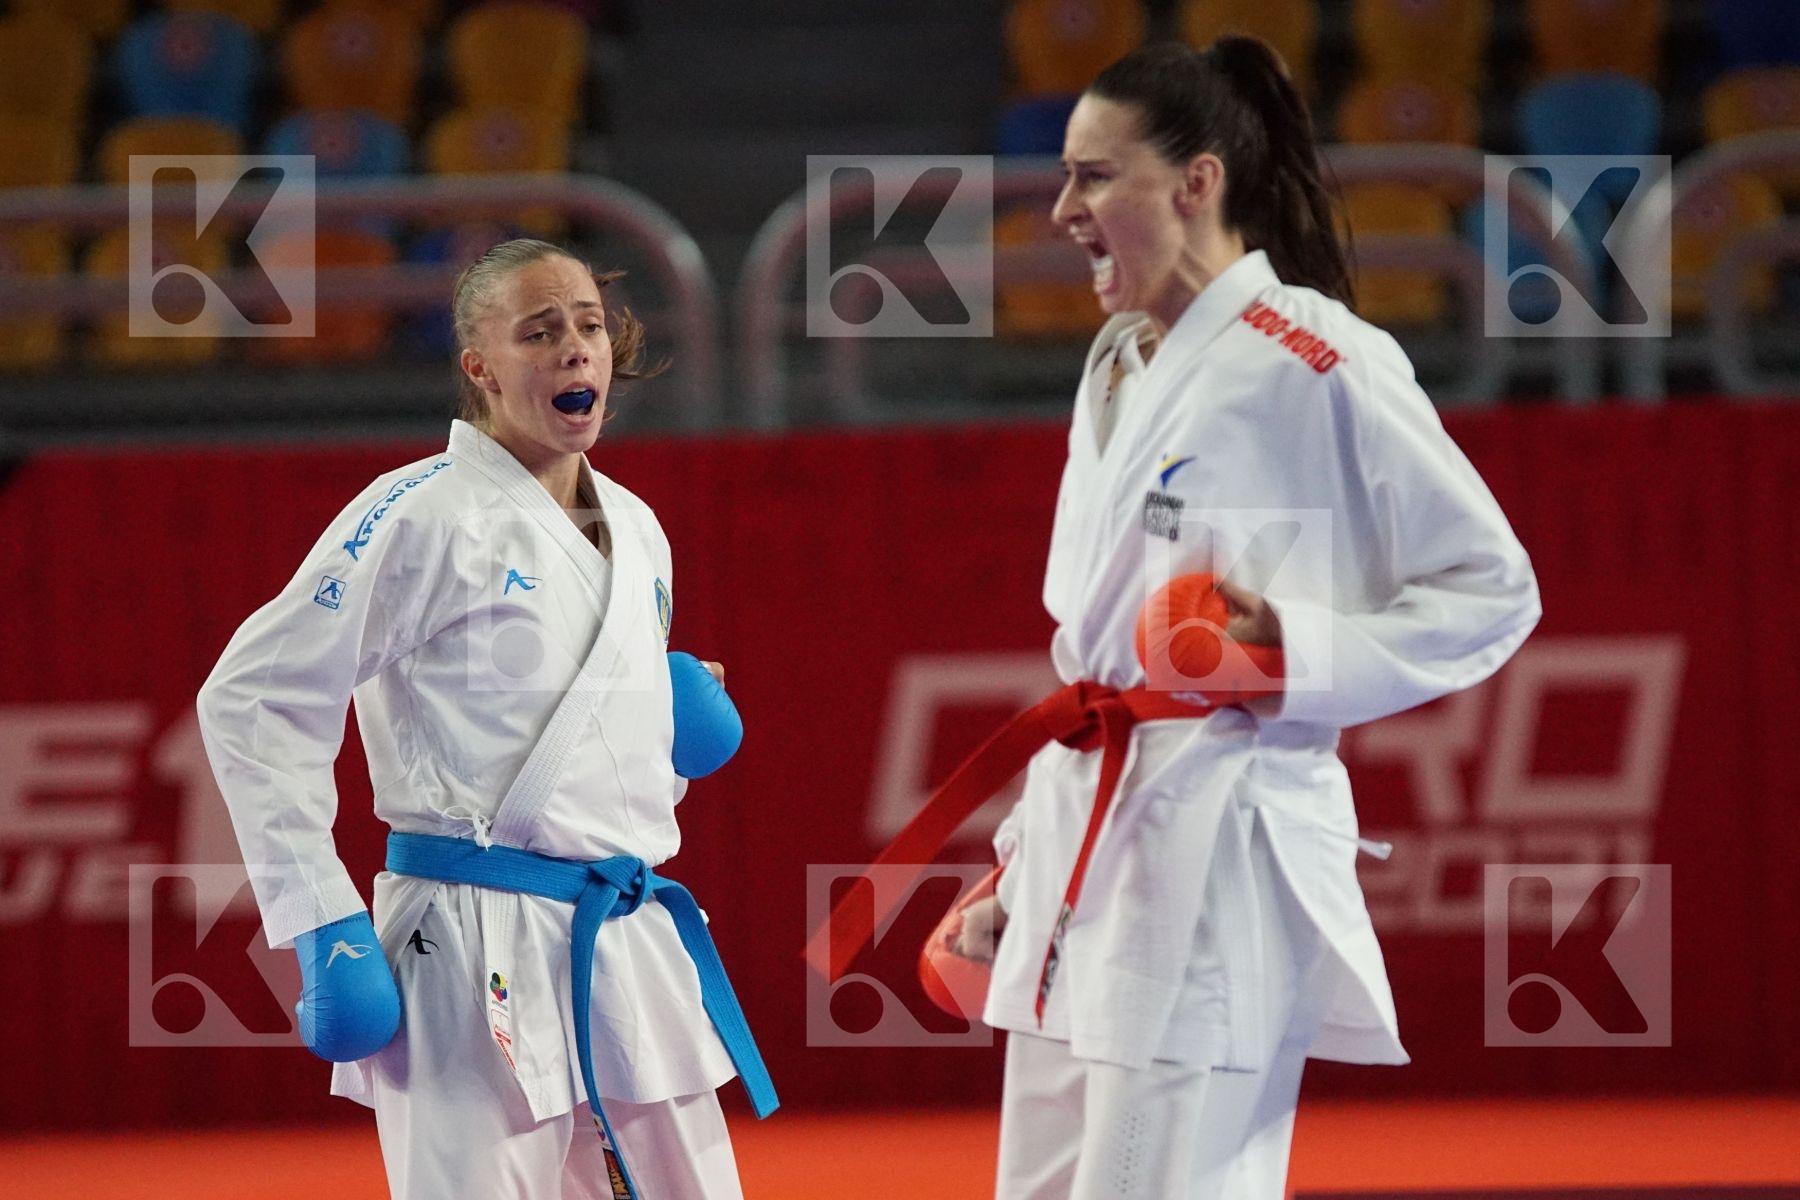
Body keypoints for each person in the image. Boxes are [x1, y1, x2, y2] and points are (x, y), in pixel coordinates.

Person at [948, 38, 1542, 1199]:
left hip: (1220, 845)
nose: (1063, 207)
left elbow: (1492, 589)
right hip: (1091, 838)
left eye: (1093, 176)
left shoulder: (1317, 359)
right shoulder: (1117, 360)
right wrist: (1019, 868)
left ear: (1197, 182)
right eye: (1066, 178)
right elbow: (1095, 660)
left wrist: (1288, 656)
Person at [197, 238, 774, 1200]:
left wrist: (663, 724)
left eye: (589, 326)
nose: (577, 350)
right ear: (481, 366)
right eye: (540, 331)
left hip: (621, 930)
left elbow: (590, 759)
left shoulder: (638, 526)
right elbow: (253, 697)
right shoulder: (419, 512)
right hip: (466, 942)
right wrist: (320, 918)